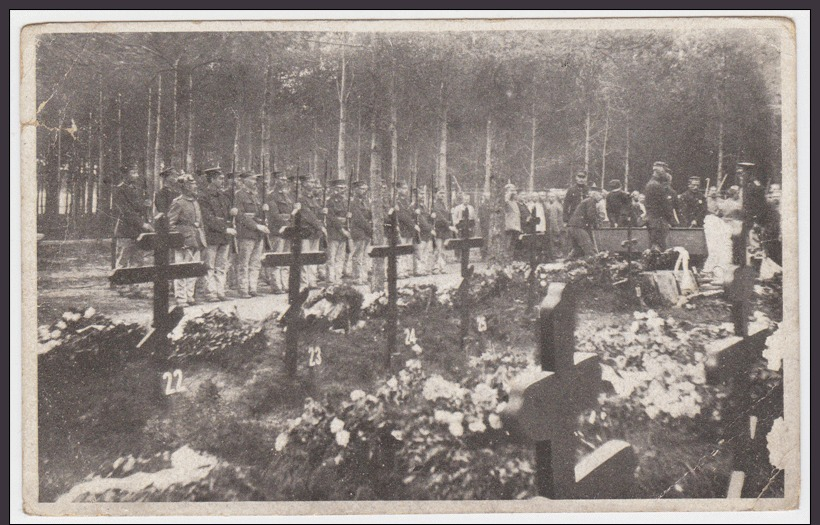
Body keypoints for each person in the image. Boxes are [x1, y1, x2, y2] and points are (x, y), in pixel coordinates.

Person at [113, 165, 153, 297]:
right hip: (126, 229)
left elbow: (138, 208)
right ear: (125, 175)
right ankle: (122, 286)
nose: (136, 175)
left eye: (136, 172)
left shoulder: (137, 189)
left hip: (138, 230)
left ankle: (136, 287)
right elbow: (126, 211)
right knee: (124, 258)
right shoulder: (119, 190)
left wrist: (146, 205)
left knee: (138, 259)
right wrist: (142, 223)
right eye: (133, 172)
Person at [168, 173, 208, 306]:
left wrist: (201, 238)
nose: (195, 185)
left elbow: (199, 222)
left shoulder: (195, 202)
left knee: (194, 269)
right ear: (184, 186)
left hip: (196, 239)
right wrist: (178, 240)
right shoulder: (178, 202)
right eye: (192, 184)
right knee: (181, 269)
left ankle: (190, 296)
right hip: (183, 240)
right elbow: (170, 223)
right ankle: (181, 298)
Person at [199, 167, 236, 302]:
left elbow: (226, 216)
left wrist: (232, 213)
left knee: (221, 266)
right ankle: (210, 293)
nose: (222, 181)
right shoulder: (203, 197)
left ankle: (220, 292)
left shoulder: (223, 197)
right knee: (209, 266)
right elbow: (208, 218)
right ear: (212, 179)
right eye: (220, 178)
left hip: (224, 237)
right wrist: (225, 229)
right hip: (212, 236)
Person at [234, 171, 269, 298]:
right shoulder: (239, 195)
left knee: (255, 263)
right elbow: (240, 215)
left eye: (255, 179)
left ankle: (252, 287)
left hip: (258, 234)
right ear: (244, 180)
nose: (255, 182)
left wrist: (264, 210)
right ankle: (243, 289)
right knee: (244, 263)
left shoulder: (256, 196)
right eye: (252, 179)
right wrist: (256, 226)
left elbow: (258, 215)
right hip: (246, 233)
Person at [264, 170, 293, 293]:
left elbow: (291, 213)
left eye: (285, 180)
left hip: (288, 230)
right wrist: (287, 223)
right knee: (277, 259)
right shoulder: (271, 195)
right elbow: (274, 215)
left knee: (286, 259)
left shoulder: (286, 196)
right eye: (281, 179)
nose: (284, 182)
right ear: (276, 180)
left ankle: (285, 284)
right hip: (278, 231)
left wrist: (290, 223)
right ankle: (276, 285)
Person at [644, 161, 675, 250]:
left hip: (655, 222)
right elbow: (664, 206)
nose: (666, 174)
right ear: (660, 171)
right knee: (658, 249)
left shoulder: (652, 184)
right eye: (665, 171)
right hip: (658, 223)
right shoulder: (656, 185)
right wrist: (671, 221)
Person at [324, 178, 350, 284]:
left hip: (343, 232)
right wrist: (342, 229)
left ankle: (338, 276)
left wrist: (349, 217)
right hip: (334, 232)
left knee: (340, 256)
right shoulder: (329, 201)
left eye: (344, 188)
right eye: (340, 188)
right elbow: (331, 217)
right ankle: (331, 277)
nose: (342, 190)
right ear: (334, 189)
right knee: (331, 256)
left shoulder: (345, 201)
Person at [566, 185, 602, 258]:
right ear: (595, 194)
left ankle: (568, 262)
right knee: (588, 247)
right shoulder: (591, 201)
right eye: (600, 194)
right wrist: (596, 224)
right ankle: (593, 264)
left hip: (573, 226)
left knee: (577, 249)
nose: (601, 197)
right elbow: (591, 215)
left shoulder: (587, 201)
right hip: (578, 227)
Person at [349, 180, 372, 284]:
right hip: (358, 231)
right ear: (355, 190)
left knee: (365, 255)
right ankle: (357, 277)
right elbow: (359, 218)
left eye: (365, 189)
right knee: (358, 255)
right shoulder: (353, 202)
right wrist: (370, 229)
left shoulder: (366, 201)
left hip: (366, 231)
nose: (364, 191)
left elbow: (369, 214)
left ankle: (363, 276)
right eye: (361, 189)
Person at [431, 188, 457, 274]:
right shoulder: (436, 205)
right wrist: (449, 225)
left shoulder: (444, 204)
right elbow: (440, 217)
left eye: (443, 193)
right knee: (438, 248)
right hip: (439, 229)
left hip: (445, 229)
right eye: (440, 193)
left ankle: (441, 266)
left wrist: (451, 225)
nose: (442, 195)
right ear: (437, 195)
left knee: (442, 249)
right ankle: (435, 267)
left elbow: (448, 216)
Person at [394, 181, 416, 279]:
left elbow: (410, 214)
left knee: (407, 251)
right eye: (403, 188)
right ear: (398, 189)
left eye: (406, 188)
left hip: (409, 230)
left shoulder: (407, 201)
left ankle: (406, 270)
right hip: (402, 229)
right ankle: (400, 271)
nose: (405, 190)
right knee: (401, 251)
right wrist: (412, 224)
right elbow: (401, 216)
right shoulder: (396, 201)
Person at [413, 195, 435, 276]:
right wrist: (430, 229)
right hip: (420, 232)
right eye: (420, 195)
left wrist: (431, 217)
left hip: (426, 233)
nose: (422, 196)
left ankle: (424, 269)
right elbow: (421, 221)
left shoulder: (424, 207)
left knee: (425, 251)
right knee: (420, 252)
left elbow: (427, 219)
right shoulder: (415, 206)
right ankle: (418, 270)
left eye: (423, 194)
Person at [503, 183, 522, 258]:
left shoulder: (514, 202)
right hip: (509, 227)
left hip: (516, 226)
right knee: (508, 243)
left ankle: (510, 257)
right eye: (512, 190)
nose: (514, 192)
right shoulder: (507, 201)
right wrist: (508, 193)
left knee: (513, 244)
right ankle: (506, 258)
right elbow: (505, 202)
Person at [545, 191, 564, 258]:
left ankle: (559, 255)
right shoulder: (554, 205)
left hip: (561, 227)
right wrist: (556, 229)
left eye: (563, 195)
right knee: (555, 242)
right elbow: (553, 218)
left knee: (560, 242)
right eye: (560, 195)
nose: (562, 197)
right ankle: (556, 255)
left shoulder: (560, 204)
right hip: (556, 227)